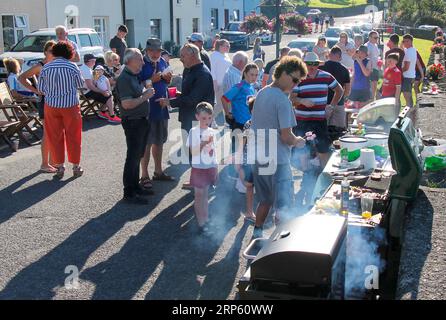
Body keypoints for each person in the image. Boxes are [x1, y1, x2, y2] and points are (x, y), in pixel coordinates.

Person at [251, 56, 307, 238]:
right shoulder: (282, 101)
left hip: (259, 157)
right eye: (295, 79)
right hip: (278, 161)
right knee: (283, 206)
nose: (296, 85)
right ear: (283, 73)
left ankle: (257, 232)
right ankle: (279, 243)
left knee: (265, 200)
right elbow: (286, 136)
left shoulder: (262, 93)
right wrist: (298, 141)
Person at [158, 43, 215, 189]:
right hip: (191, 117)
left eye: (183, 56)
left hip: (197, 120)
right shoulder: (191, 70)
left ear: (193, 55)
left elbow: (193, 100)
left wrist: (170, 102)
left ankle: (203, 182)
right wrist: (179, 94)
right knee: (193, 151)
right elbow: (190, 95)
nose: (180, 59)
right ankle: (201, 181)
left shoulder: (201, 73)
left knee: (197, 152)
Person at [38, 41, 84, 179]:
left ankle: (59, 166)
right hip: (70, 105)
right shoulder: (72, 66)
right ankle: (75, 166)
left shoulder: (46, 67)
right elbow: (81, 84)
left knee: (55, 136)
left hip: (51, 105)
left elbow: (40, 89)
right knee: (73, 136)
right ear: (69, 52)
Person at [116, 48, 156, 205]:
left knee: (137, 155)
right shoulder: (125, 78)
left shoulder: (132, 76)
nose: (142, 62)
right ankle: (129, 192)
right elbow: (126, 104)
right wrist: (145, 96)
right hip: (133, 121)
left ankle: (135, 186)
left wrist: (143, 94)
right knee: (133, 156)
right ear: (130, 61)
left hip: (140, 120)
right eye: (139, 59)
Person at [291, 52, 344, 169]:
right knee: (302, 149)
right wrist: (302, 101)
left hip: (320, 119)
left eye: (314, 64)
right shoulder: (298, 78)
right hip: (302, 120)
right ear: (304, 65)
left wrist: (331, 106)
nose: (312, 66)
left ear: (318, 65)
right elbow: (291, 98)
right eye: (309, 64)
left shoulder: (326, 76)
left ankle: (323, 175)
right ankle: (307, 175)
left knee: (323, 148)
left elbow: (339, 90)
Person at [138, 38, 175, 190]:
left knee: (159, 141)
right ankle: (144, 175)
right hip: (146, 109)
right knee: (146, 143)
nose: (155, 53)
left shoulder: (162, 62)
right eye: (152, 50)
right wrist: (150, 80)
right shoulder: (139, 63)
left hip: (161, 107)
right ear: (146, 51)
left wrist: (167, 80)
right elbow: (135, 85)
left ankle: (158, 171)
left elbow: (165, 82)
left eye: (158, 50)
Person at [18, 40, 56, 173]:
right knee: (47, 132)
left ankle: (52, 161)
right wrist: (35, 90)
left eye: (56, 50)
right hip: (45, 100)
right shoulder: (41, 65)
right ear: (45, 52)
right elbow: (21, 78)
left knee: (55, 132)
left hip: (56, 101)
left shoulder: (56, 64)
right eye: (51, 50)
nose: (54, 53)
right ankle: (44, 163)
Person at [186, 102, 219, 232]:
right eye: (204, 118)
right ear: (197, 117)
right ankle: (201, 223)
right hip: (198, 168)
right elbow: (192, 152)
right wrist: (203, 143)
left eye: (209, 118)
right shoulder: (193, 131)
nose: (207, 121)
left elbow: (213, 153)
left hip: (209, 168)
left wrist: (215, 170)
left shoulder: (212, 131)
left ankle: (205, 220)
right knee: (199, 195)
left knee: (205, 195)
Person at [319, 46, 351, 138]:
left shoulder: (321, 67)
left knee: (323, 131)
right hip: (338, 103)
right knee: (338, 132)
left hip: (323, 103)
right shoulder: (344, 69)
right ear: (340, 57)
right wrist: (344, 99)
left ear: (329, 55)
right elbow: (347, 89)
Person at [80, 54, 120, 123]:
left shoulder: (87, 68)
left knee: (109, 93)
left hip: (90, 89)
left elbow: (94, 82)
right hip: (87, 92)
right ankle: (112, 116)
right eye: (94, 60)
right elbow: (90, 86)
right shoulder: (85, 70)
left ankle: (102, 112)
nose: (95, 62)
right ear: (89, 61)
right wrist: (102, 91)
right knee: (109, 96)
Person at [210, 39, 232, 126]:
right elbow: (212, 70)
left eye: (229, 46)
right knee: (220, 104)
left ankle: (228, 121)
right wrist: (214, 82)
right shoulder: (214, 55)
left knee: (229, 104)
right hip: (219, 84)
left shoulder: (226, 55)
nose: (228, 47)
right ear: (220, 46)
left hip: (228, 84)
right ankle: (210, 119)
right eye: (226, 45)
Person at [401, 34, 417, 108]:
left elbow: (406, 67)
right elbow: (402, 48)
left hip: (407, 76)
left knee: (407, 97)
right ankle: (411, 112)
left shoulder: (409, 52)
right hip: (411, 75)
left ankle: (409, 114)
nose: (404, 43)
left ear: (410, 41)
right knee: (409, 96)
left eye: (406, 41)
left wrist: (399, 71)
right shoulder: (413, 49)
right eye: (403, 41)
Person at [365, 31, 381, 101]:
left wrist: (379, 61)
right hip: (370, 69)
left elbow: (376, 56)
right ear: (370, 38)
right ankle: (370, 102)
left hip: (376, 68)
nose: (377, 39)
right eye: (375, 38)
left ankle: (372, 101)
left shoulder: (375, 45)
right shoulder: (367, 46)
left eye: (377, 37)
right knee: (371, 87)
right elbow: (365, 58)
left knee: (375, 86)